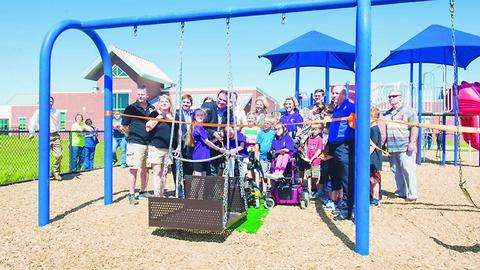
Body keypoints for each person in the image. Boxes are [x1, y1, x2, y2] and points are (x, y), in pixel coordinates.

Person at [383, 90, 418, 202]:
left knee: (408, 170)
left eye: (394, 96)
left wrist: (412, 142)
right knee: (395, 170)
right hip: (392, 147)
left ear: (400, 98)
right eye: (389, 96)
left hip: (405, 146)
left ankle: (412, 194)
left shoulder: (409, 111)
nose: (391, 98)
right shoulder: (387, 114)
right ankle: (401, 191)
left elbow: (414, 127)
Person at [122, 85, 155, 205]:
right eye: (138, 94)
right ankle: (131, 194)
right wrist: (131, 135)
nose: (140, 96)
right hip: (135, 142)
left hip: (149, 143)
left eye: (143, 94)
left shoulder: (152, 109)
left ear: (147, 96)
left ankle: (143, 191)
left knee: (146, 168)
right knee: (134, 168)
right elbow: (124, 126)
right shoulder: (130, 108)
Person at [326, 85, 355, 221]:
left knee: (347, 177)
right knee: (336, 176)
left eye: (336, 93)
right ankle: (343, 204)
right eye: (333, 93)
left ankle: (350, 209)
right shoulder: (337, 107)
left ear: (344, 94)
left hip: (344, 146)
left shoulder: (350, 107)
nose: (333, 95)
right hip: (334, 146)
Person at [146, 95, 178, 198]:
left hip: (168, 148)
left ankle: (162, 193)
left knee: (164, 172)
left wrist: (178, 147)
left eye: (166, 102)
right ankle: (157, 194)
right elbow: (148, 128)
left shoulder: (174, 116)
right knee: (157, 170)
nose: (164, 103)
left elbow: (178, 132)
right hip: (156, 147)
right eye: (162, 102)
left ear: (170, 104)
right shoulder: (154, 114)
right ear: (159, 103)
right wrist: (159, 118)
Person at [28, 96, 63, 181]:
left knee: (59, 155)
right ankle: (43, 175)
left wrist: (58, 132)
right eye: (49, 101)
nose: (50, 102)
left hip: (55, 135)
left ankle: (56, 172)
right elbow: (33, 122)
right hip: (44, 136)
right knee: (44, 157)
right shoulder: (39, 111)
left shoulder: (56, 112)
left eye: (52, 101)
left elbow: (57, 123)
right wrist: (32, 132)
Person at [201, 90, 233, 176]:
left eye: (224, 101)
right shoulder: (207, 106)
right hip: (206, 144)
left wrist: (225, 132)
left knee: (218, 170)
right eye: (220, 99)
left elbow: (230, 125)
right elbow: (201, 125)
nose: (221, 102)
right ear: (216, 97)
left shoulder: (229, 112)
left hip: (219, 145)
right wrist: (213, 133)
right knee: (206, 171)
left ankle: (214, 188)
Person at [186, 108, 226, 176]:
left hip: (205, 156)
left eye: (201, 115)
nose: (200, 117)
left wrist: (217, 139)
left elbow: (205, 142)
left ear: (204, 116)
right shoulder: (197, 127)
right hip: (199, 156)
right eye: (198, 115)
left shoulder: (201, 127)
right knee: (198, 180)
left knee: (204, 180)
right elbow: (206, 141)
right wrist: (219, 149)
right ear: (194, 117)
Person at [173, 94, 194, 179]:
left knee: (188, 168)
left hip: (190, 145)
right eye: (184, 102)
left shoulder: (193, 115)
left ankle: (186, 188)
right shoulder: (176, 114)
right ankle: (178, 189)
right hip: (179, 144)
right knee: (177, 168)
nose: (185, 104)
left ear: (191, 104)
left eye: (188, 102)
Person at [255, 116, 276, 191]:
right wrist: (256, 154)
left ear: (271, 125)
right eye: (264, 123)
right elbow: (257, 144)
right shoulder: (260, 133)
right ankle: (264, 190)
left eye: (268, 123)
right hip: (262, 156)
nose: (265, 124)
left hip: (271, 156)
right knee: (264, 174)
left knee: (271, 173)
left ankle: (271, 188)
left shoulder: (273, 133)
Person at [303, 124, 323, 196]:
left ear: (320, 130)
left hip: (316, 161)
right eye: (312, 129)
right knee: (308, 176)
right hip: (308, 160)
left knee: (316, 177)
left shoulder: (319, 139)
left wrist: (312, 158)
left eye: (315, 129)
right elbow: (305, 146)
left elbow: (319, 150)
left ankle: (319, 191)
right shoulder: (309, 138)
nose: (313, 131)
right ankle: (309, 190)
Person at [369, 108, 382, 208]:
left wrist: (367, 155)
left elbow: (373, 145)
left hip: (374, 159)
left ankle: (376, 199)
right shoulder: (371, 128)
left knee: (374, 180)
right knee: (370, 179)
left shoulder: (374, 129)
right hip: (370, 159)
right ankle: (371, 197)